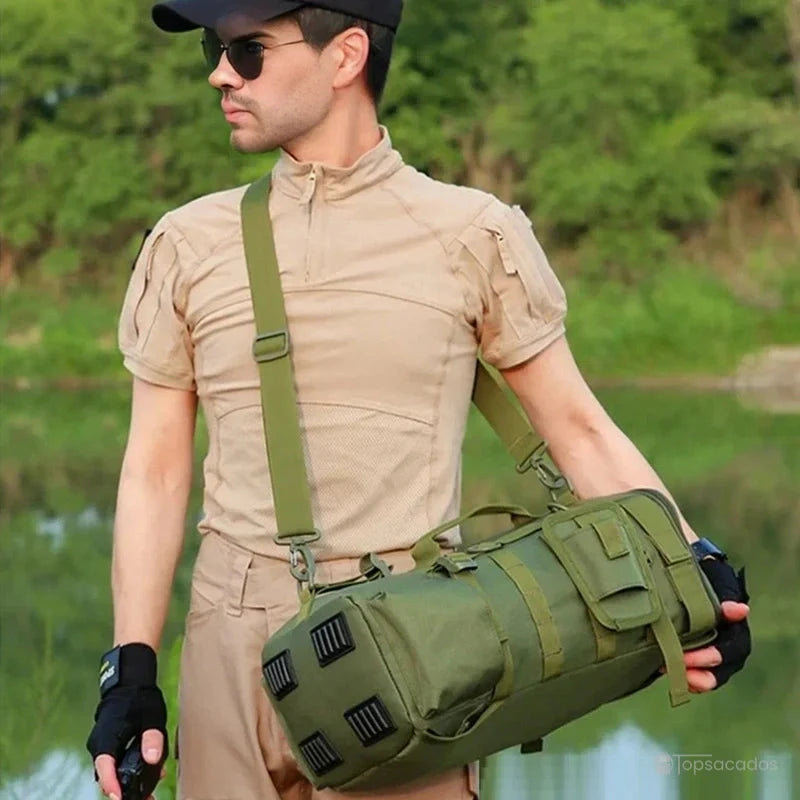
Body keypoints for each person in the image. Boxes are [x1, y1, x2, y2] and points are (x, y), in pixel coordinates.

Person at [86, 1, 752, 798]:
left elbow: (576, 427)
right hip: (226, 656)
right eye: (214, 46)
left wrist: (694, 567)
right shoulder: (187, 244)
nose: (220, 72)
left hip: (414, 653)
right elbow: (155, 471)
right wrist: (131, 668)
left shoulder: (471, 234)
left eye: (248, 50)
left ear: (346, 56)